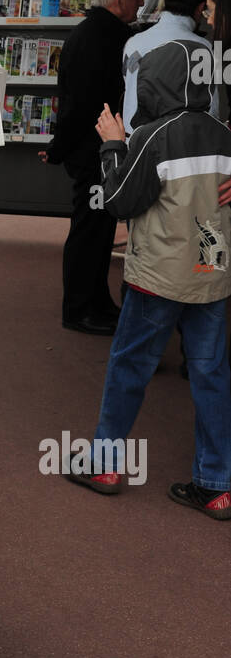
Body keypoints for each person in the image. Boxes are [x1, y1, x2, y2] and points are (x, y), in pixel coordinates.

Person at [69, 40, 231, 519]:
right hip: (212, 268)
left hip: (160, 275)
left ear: (154, 83)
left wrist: (113, 144)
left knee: (129, 368)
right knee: (211, 373)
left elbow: (120, 200)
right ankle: (217, 483)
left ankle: (104, 465)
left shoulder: (153, 136)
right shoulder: (222, 133)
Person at [42, 0, 140, 335]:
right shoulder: (102, 38)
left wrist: (59, 147)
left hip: (95, 149)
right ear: (119, 0)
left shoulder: (97, 33)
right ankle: (80, 309)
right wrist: (58, 148)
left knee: (98, 230)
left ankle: (97, 303)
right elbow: (80, 105)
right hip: (94, 152)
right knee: (89, 230)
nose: (142, 2)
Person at [121, 0, 214, 133]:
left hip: (133, 141)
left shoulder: (134, 44)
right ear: (200, 8)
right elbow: (211, 108)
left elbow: (130, 87)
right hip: (179, 147)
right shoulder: (201, 48)